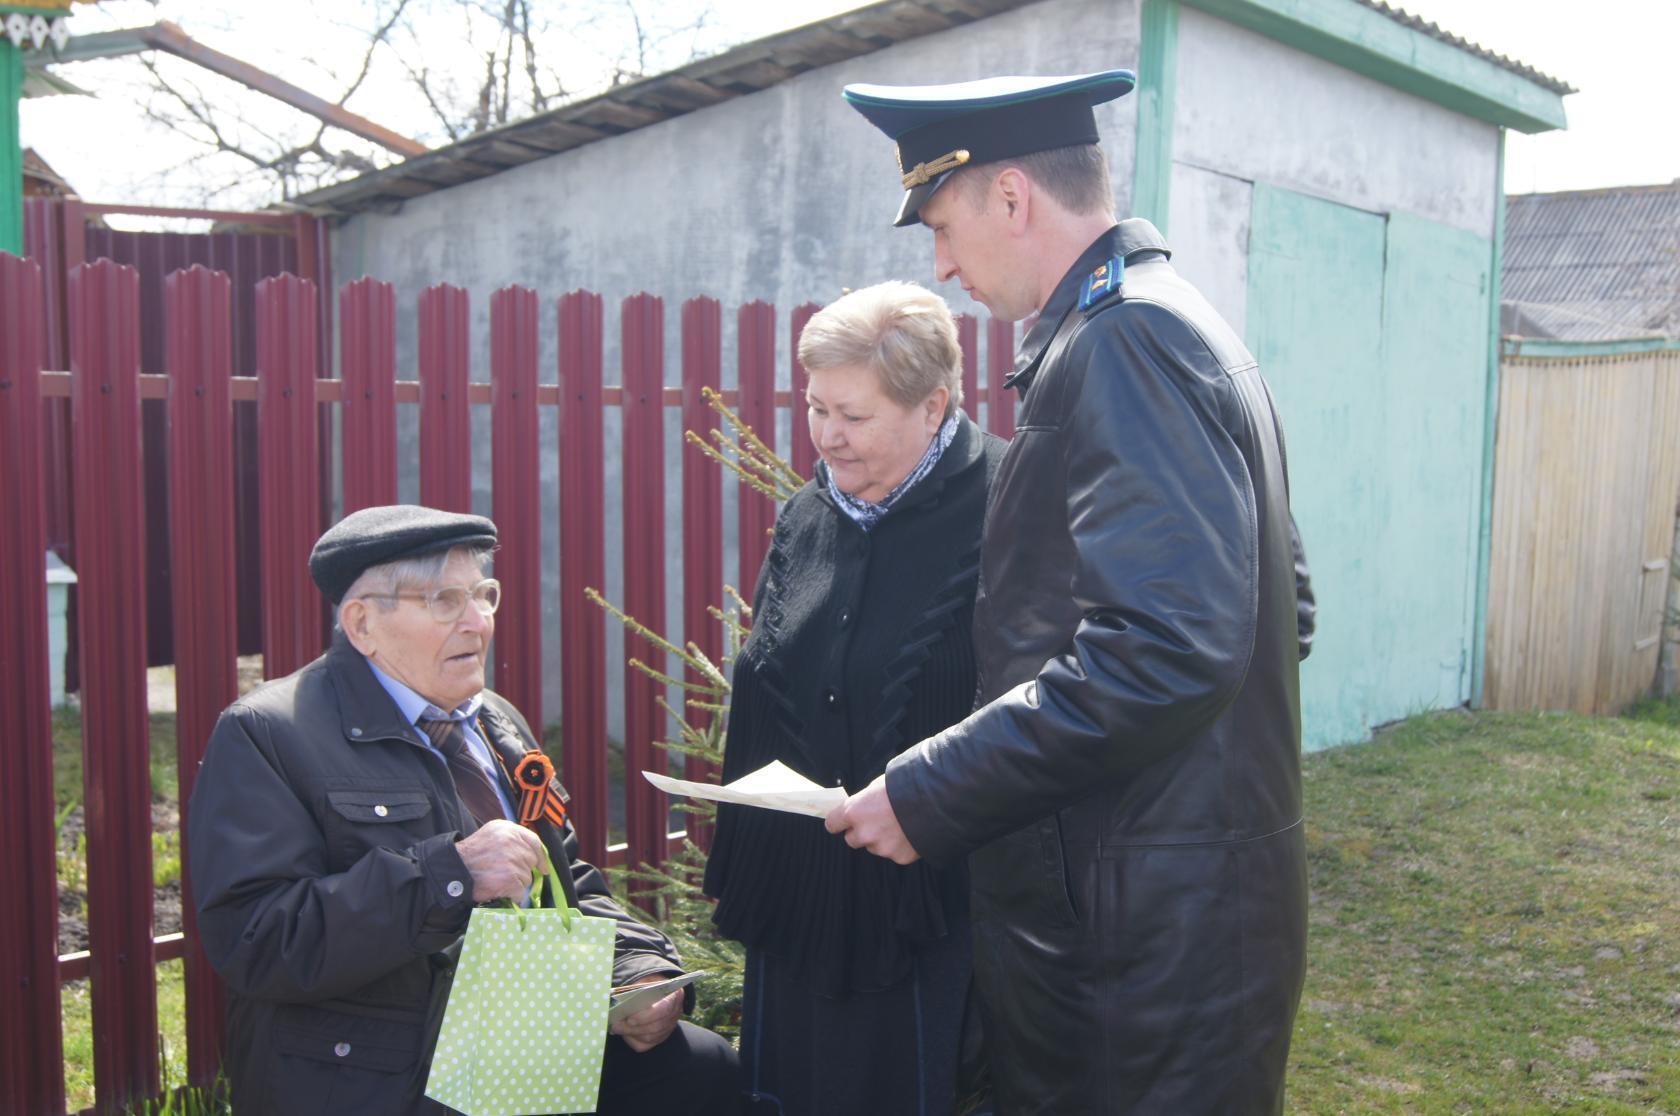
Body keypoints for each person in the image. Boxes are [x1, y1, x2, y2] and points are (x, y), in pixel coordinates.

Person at [826, 72, 1317, 1114]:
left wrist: (932, 787)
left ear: (1012, 198)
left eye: (944, 227)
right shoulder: (1173, 323)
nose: (942, 266)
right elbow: (1285, 606)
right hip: (1170, 910)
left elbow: (1169, 645)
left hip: (1134, 940)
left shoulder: (1126, 343)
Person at [188, 504, 741, 1116]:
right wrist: (447, 876)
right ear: (362, 623)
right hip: (378, 1064)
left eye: (484, 594)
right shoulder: (267, 733)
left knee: (702, 1069)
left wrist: (636, 971)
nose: (478, 621)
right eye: (444, 601)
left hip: (514, 1038)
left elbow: (565, 878)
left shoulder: (495, 720)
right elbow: (258, 940)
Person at [702, 281, 1007, 1114]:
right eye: (815, 408)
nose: (828, 436)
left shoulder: (1011, 504)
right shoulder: (808, 515)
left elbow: (1043, 703)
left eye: (856, 416)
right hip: (799, 899)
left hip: (931, 912)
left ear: (934, 403)